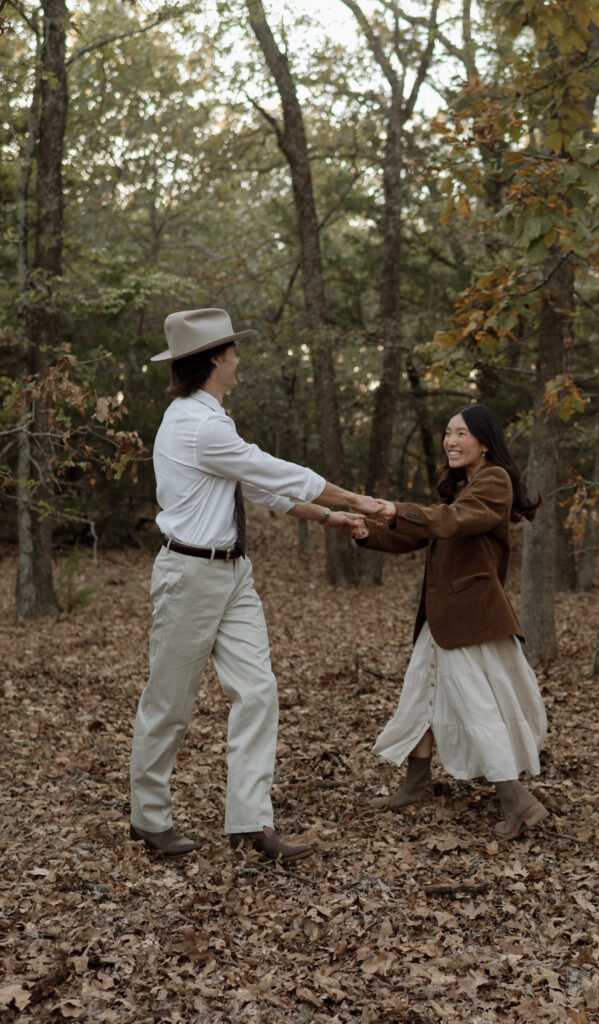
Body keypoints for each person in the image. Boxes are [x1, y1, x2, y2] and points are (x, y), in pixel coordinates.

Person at [129, 307, 378, 861]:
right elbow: (271, 471)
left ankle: (250, 820)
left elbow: (258, 489)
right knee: (169, 702)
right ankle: (148, 818)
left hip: (233, 572)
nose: (239, 360)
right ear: (216, 357)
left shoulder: (210, 419)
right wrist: (354, 499)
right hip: (190, 574)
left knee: (258, 692)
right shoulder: (196, 423)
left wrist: (328, 519)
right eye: (234, 351)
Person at [352, 404, 548, 840]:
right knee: (421, 694)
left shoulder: (493, 481)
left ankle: (517, 801)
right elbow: (426, 533)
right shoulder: (462, 486)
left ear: (484, 441)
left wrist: (394, 509)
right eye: (447, 432)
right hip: (443, 620)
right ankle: (415, 787)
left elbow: (453, 522)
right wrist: (370, 532)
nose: (451, 441)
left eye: (461, 433)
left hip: (470, 618)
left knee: (477, 709)